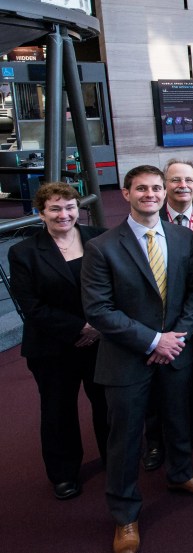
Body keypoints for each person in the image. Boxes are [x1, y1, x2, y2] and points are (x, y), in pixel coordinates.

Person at [81, 166, 193, 553]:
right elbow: (98, 309)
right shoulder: (102, 246)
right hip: (127, 358)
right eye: (141, 188)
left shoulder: (181, 237)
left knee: (178, 420)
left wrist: (175, 339)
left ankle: (180, 474)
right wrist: (153, 341)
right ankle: (125, 514)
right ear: (125, 193)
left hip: (175, 351)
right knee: (125, 440)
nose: (151, 194)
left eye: (156, 187)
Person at [8, 183, 108, 501]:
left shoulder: (99, 238)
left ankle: (114, 458)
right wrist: (81, 328)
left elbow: (116, 287)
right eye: (54, 208)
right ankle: (63, 474)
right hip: (52, 347)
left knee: (107, 405)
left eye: (69, 207)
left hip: (101, 342)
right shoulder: (23, 252)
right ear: (41, 214)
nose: (63, 214)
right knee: (58, 411)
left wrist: (99, 327)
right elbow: (32, 306)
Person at [142, 159, 193, 471]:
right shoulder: (148, 221)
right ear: (165, 185)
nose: (182, 185)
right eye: (174, 180)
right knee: (156, 386)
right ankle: (156, 441)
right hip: (158, 324)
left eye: (188, 180)